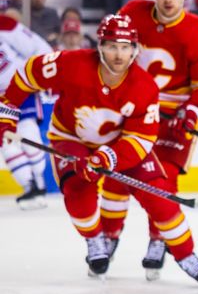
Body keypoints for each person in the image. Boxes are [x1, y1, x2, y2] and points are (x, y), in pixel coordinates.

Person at [0, 15, 168, 277]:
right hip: (71, 135)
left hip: (113, 142)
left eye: (125, 47)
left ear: (134, 50)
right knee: (77, 191)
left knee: (146, 187)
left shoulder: (142, 84)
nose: (118, 54)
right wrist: (7, 110)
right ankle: (94, 238)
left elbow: (141, 137)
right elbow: (29, 73)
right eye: (112, 46)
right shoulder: (73, 62)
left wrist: (110, 156)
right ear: (100, 46)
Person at [109, 0, 198, 283]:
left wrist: (192, 112)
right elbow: (111, 52)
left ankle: (158, 240)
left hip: (174, 119)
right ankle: (107, 239)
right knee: (116, 177)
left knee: (165, 180)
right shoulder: (132, 12)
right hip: (134, 112)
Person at [0, 14, 53, 209]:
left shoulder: (4, 24)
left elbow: (39, 48)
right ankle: (29, 186)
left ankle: (39, 182)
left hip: (20, 89)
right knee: (6, 142)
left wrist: (42, 74)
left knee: (28, 132)